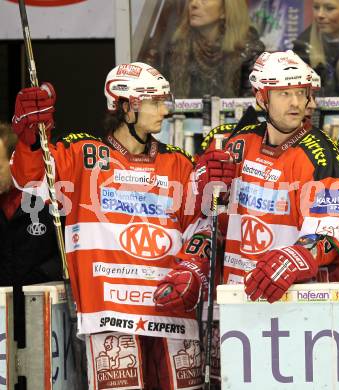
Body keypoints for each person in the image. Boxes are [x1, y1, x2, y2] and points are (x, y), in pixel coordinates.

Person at [10, 62, 233, 390]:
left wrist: (195, 269)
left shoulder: (179, 163)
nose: (163, 110)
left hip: (170, 312)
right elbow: (29, 180)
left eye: (162, 101)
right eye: (154, 102)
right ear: (126, 106)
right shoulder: (82, 154)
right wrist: (30, 138)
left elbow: (205, 227)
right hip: (110, 313)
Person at [195, 50, 339, 303]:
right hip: (236, 296)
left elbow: (332, 232)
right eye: (284, 94)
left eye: (301, 93)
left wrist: (296, 258)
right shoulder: (239, 143)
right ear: (261, 98)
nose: (296, 103)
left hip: (294, 300)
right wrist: (204, 189)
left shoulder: (322, 153)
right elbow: (211, 220)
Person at [0, 121, 63, 352]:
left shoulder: (49, 201)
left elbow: (65, 258)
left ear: (14, 162)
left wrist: (37, 279)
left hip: (41, 322)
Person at [162, 0, 265, 98]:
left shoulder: (248, 50)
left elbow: (250, 105)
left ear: (225, 10)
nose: (193, 4)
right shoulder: (176, 49)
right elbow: (166, 99)